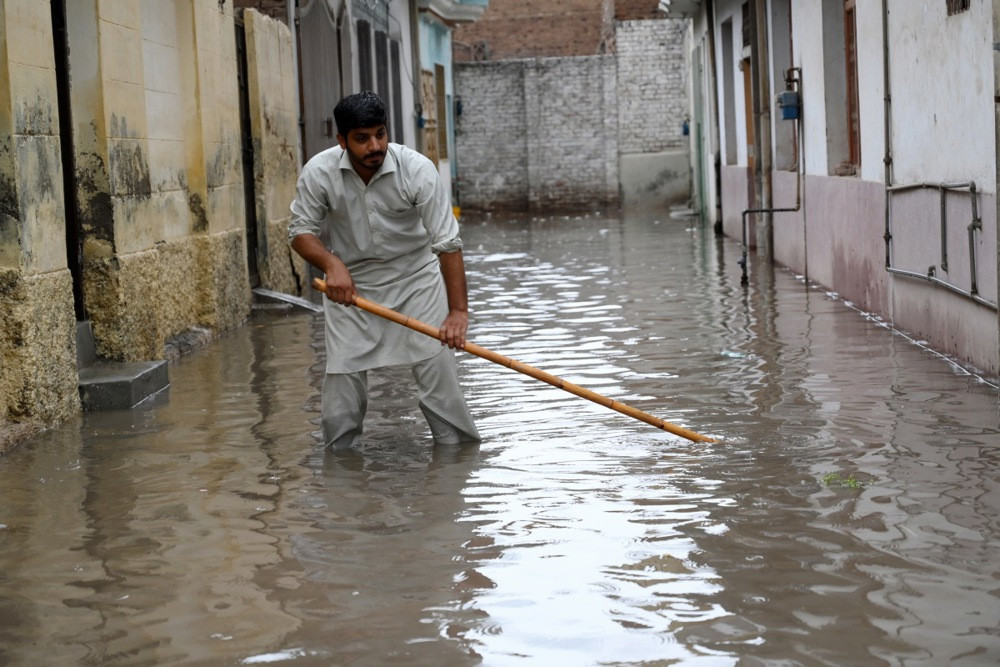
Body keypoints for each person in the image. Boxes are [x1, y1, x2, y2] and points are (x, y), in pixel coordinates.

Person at [288, 91, 480, 450]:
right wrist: (332, 264)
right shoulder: (319, 172)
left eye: (380, 134)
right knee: (340, 399)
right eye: (362, 138)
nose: (374, 146)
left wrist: (458, 312)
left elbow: (448, 243)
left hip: (417, 281)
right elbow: (299, 232)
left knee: (441, 387)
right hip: (351, 289)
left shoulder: (417, 169)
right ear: (342, 140)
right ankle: (341, 469)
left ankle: (457, 463)